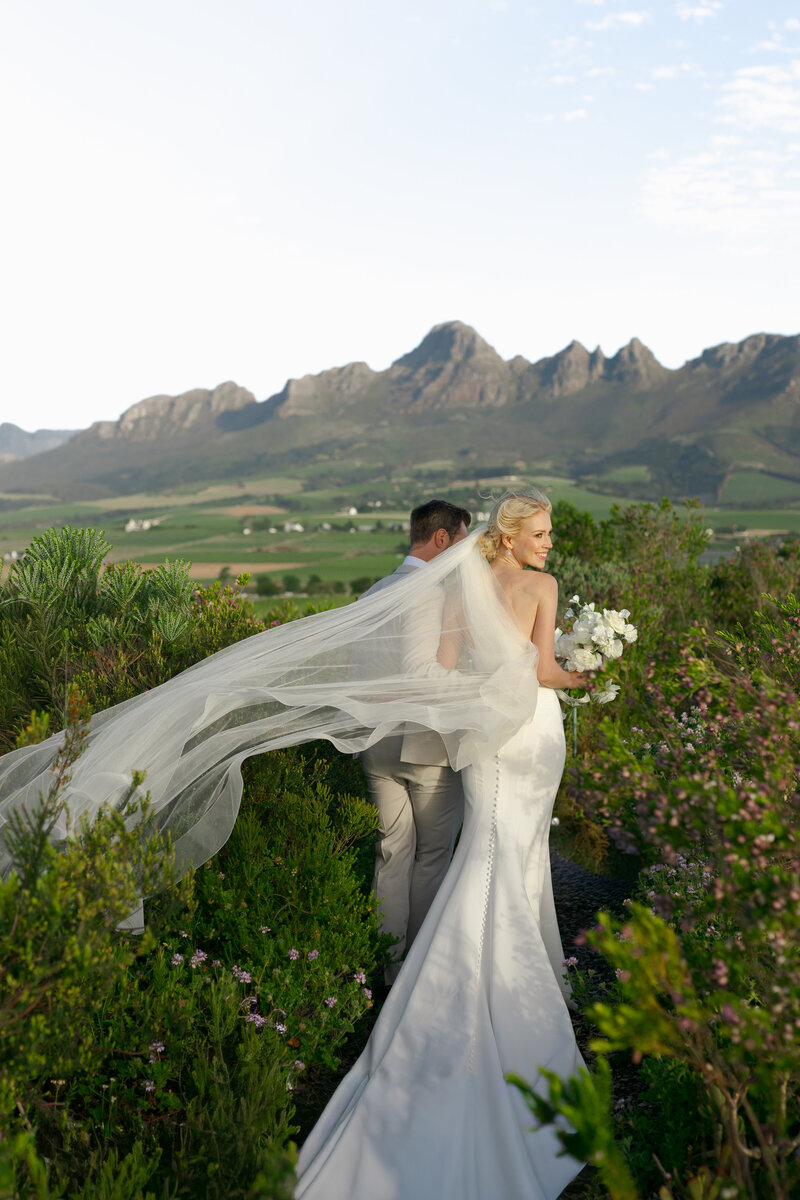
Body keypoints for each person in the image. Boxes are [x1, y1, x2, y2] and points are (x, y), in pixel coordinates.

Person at [294, 490, 587, 1200]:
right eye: (540, 533)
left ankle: (407, 968)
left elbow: (446, 666)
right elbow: (544, 671)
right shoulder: (542, 586)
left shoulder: (460, 587)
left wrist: (488, 695)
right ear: (510, 535)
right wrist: (588, 671)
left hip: (479, 738)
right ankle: (506, 981)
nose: (549, 544)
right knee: (495, 854)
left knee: (460, 852)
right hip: (527, 730)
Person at [360, 499, 470, 982]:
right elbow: (420, 673)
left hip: (377, 745)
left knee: (392, 855)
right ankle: (419, 974)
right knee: (431, 859)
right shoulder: (429, 593)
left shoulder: (374, 592)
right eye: (461, 541)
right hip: (423, 747)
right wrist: (483, 689)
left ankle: (387, 969)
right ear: (442, 538)